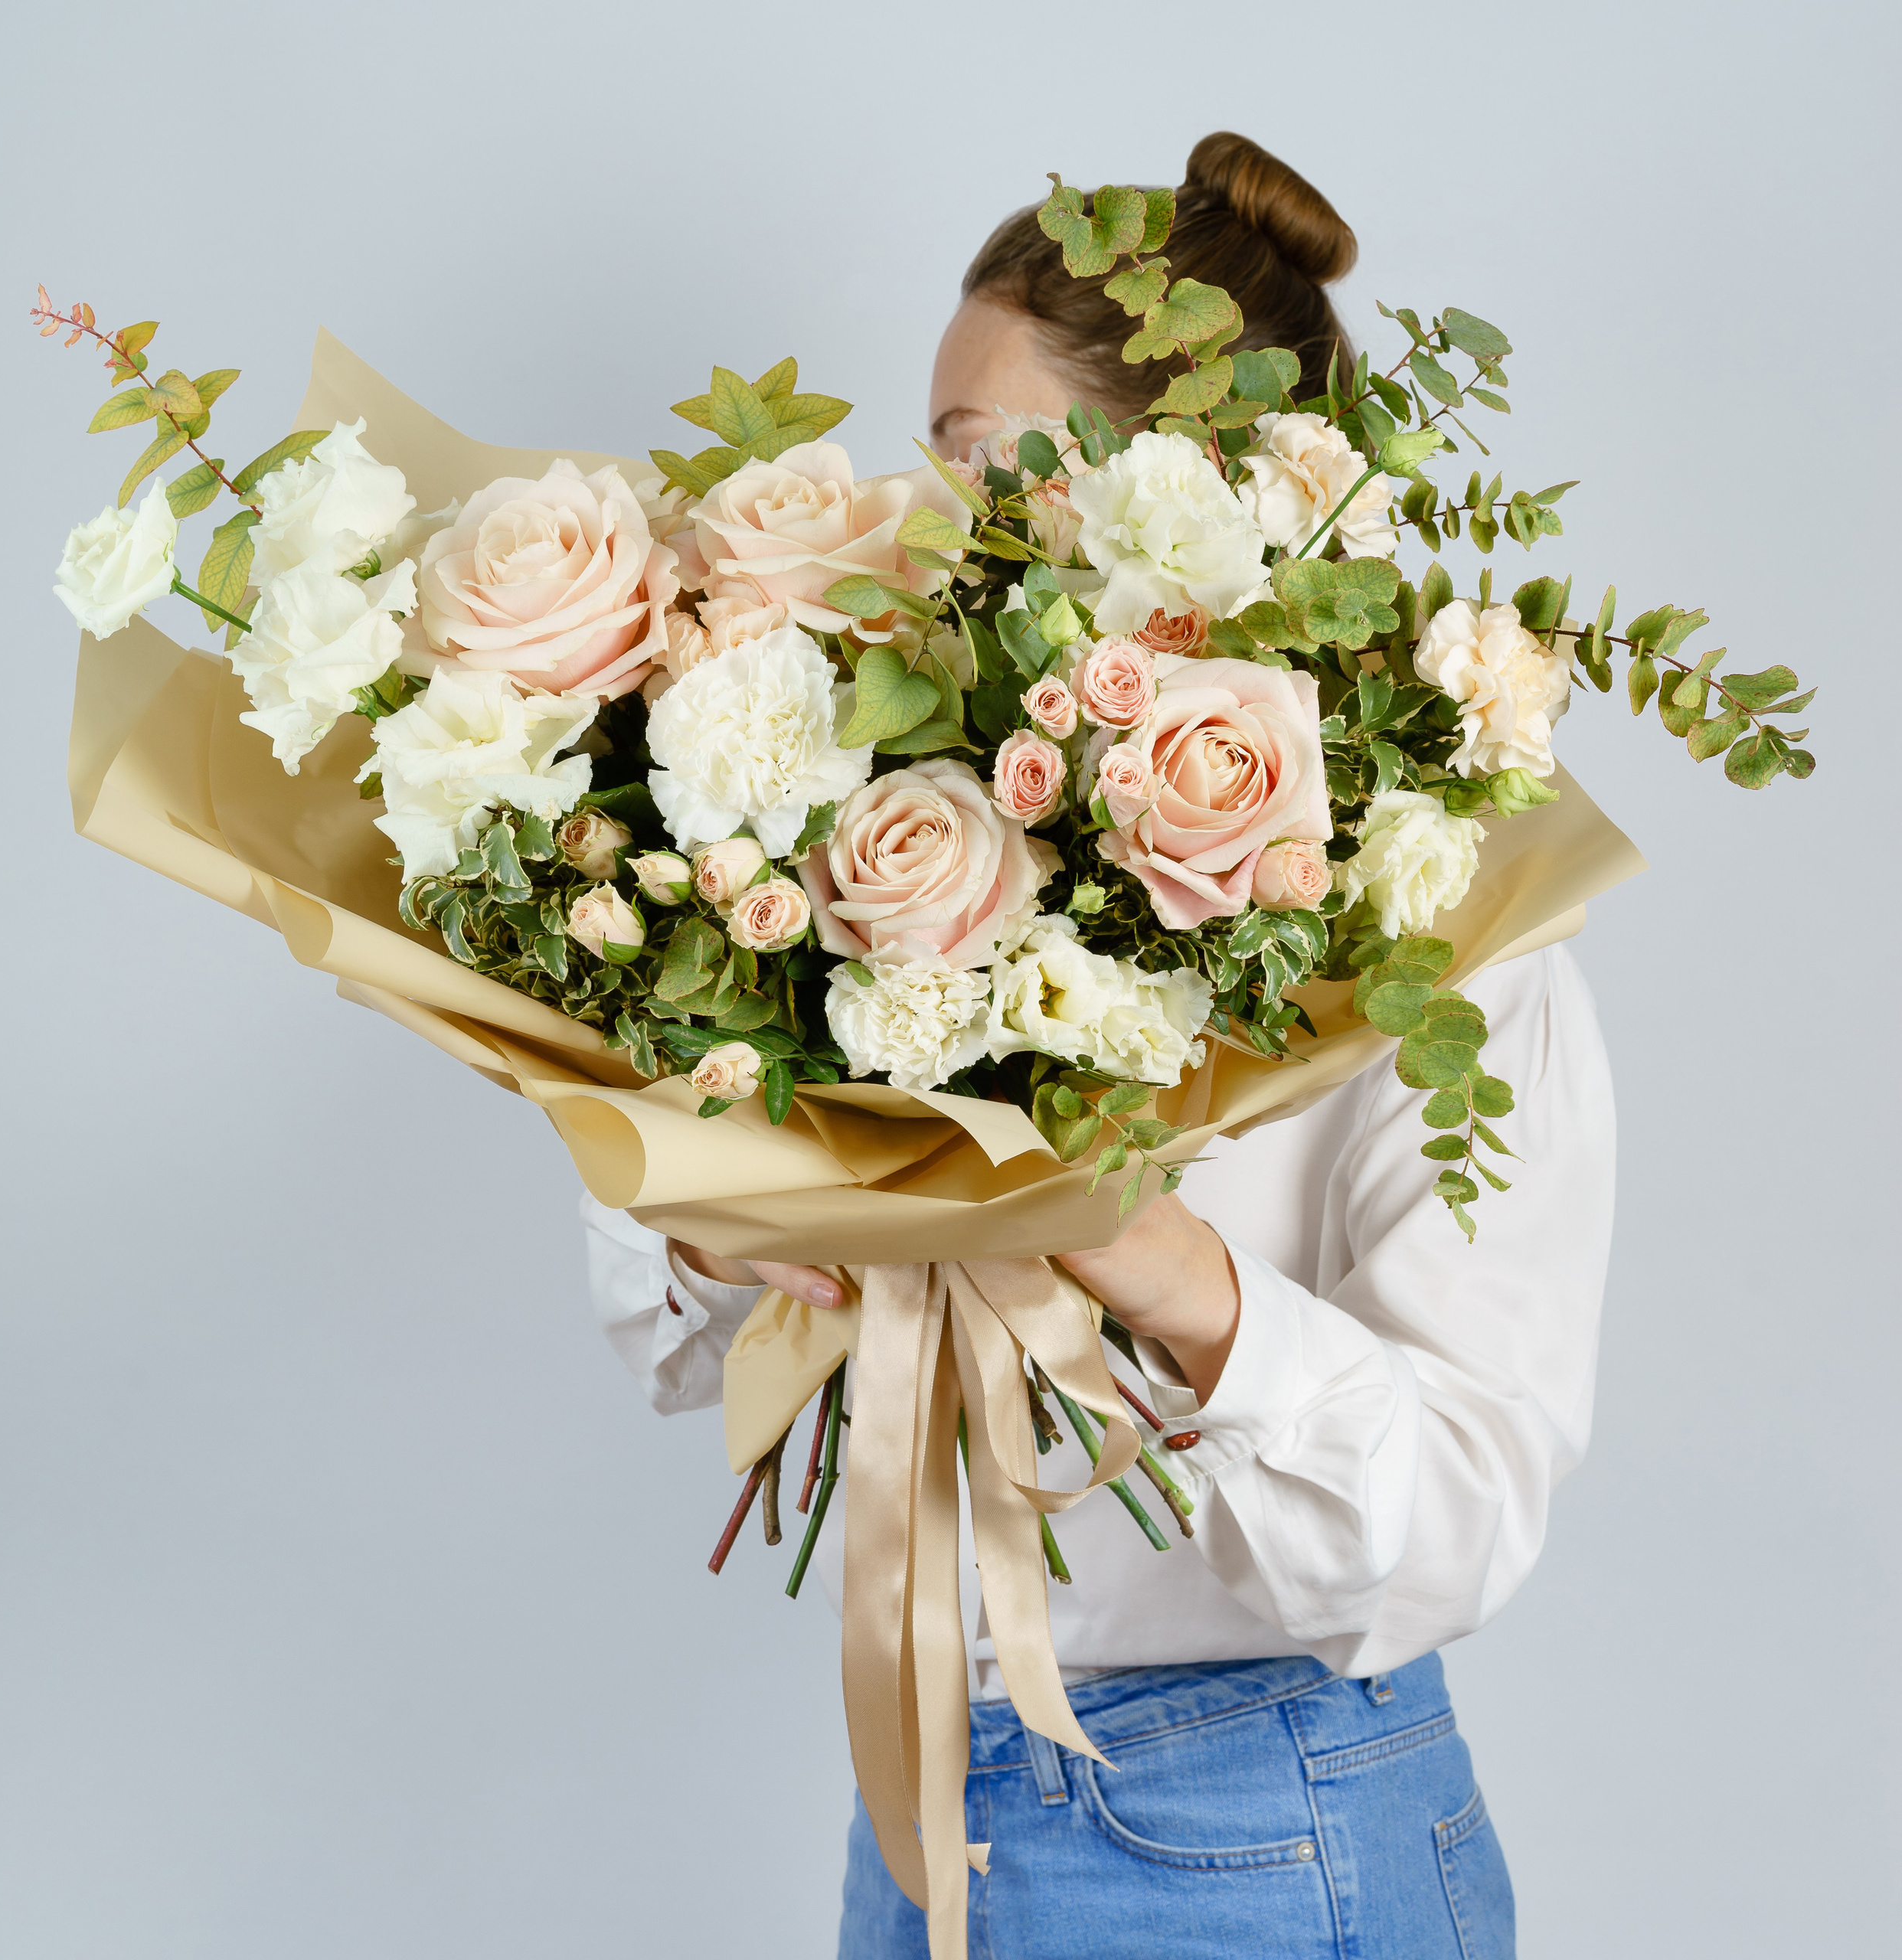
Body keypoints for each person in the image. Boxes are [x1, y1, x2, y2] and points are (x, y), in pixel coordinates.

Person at [582, 132, 1611, 1960]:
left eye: (974, 458)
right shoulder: (893, 844)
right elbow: (706, 1340)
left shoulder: (1434, 940)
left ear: (1177, 490)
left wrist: (1163, 1262)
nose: (924, 514)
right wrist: (723, 1222)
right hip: (931, 1796)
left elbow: (1461, 1516)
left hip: (1255, 1823)